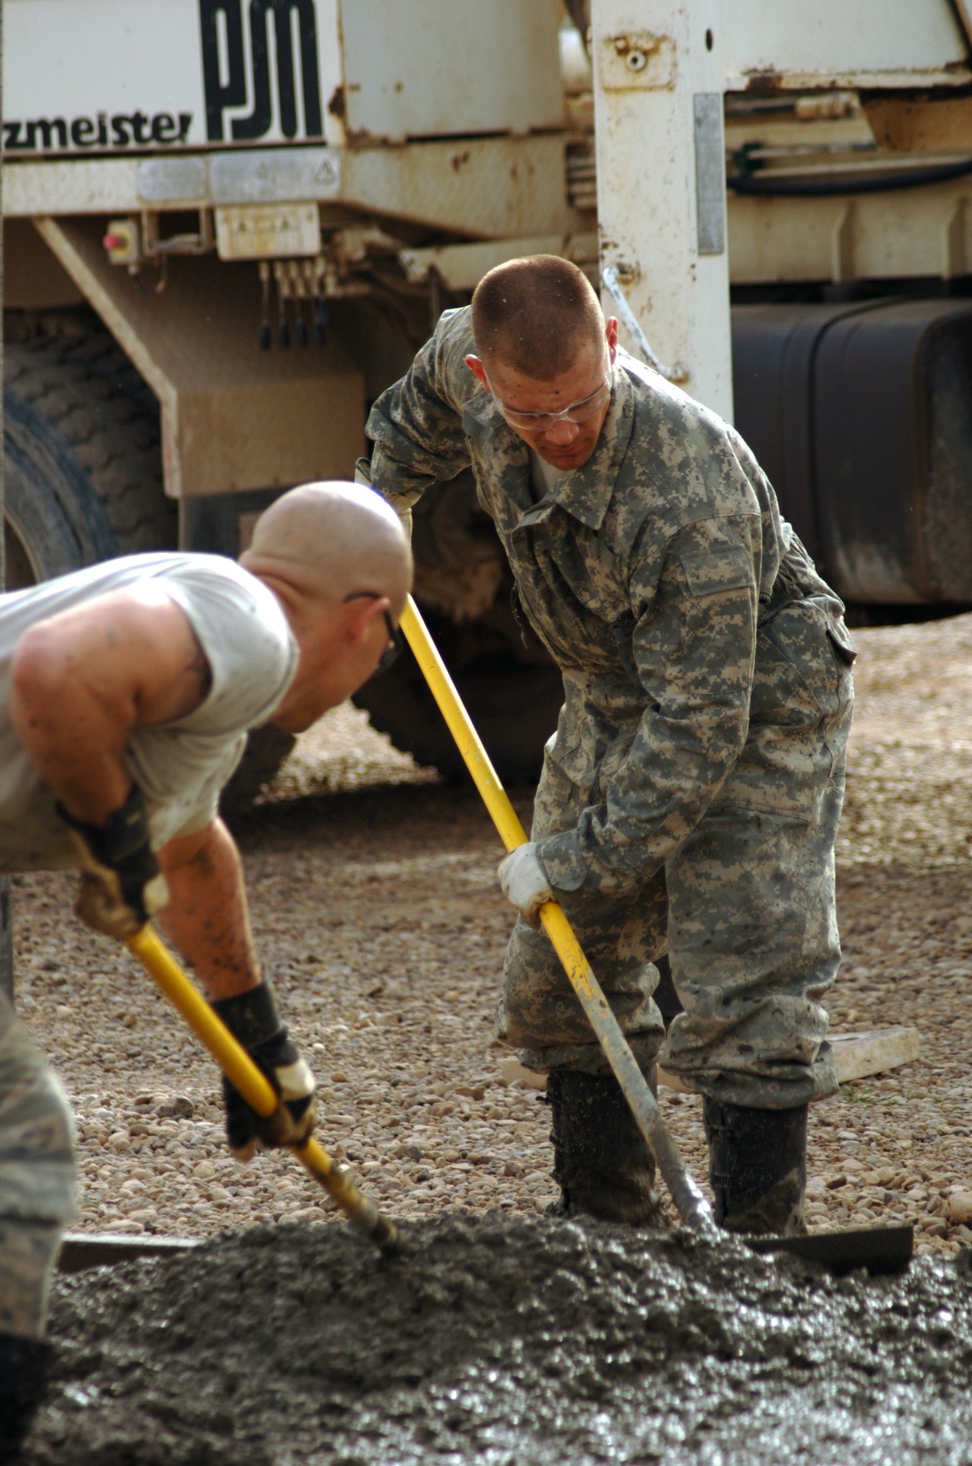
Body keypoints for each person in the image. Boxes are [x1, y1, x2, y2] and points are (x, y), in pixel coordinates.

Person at [362, 255, 854, 1238]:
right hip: (611, 692)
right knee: (558, 977)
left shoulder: (689, 488)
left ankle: (759, 1251)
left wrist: (574, 859)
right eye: (533, 415)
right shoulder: (464, 361)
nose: (563, 432)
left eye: (582, 403)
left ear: (614, 348)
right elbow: (401, 432)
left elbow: (700, 728)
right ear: (484, 382)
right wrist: (374, 523)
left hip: (754, 706)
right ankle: (607, 1234)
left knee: (744, 985)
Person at [0, 480, 412, 1463]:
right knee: (14, 1142)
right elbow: (55, 671)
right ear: (364, 619)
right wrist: (107, 831)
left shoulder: (214, 651)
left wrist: (254, 1033)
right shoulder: (252, 627)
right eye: (384, 652)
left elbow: (191, 843)